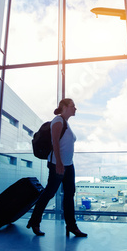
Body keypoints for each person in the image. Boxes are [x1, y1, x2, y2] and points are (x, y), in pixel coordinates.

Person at [27, 98, 87, 237]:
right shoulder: (58, 121)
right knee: (49, 193)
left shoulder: (66, 123)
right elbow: (55, 142)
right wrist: (59, 163)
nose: (75, 109)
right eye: (73, 106)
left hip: (69, 165)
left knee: (69, 195)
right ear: (65, 107)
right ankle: (34, 222)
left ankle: (71, 226)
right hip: (57, 164)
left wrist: (66, 163)